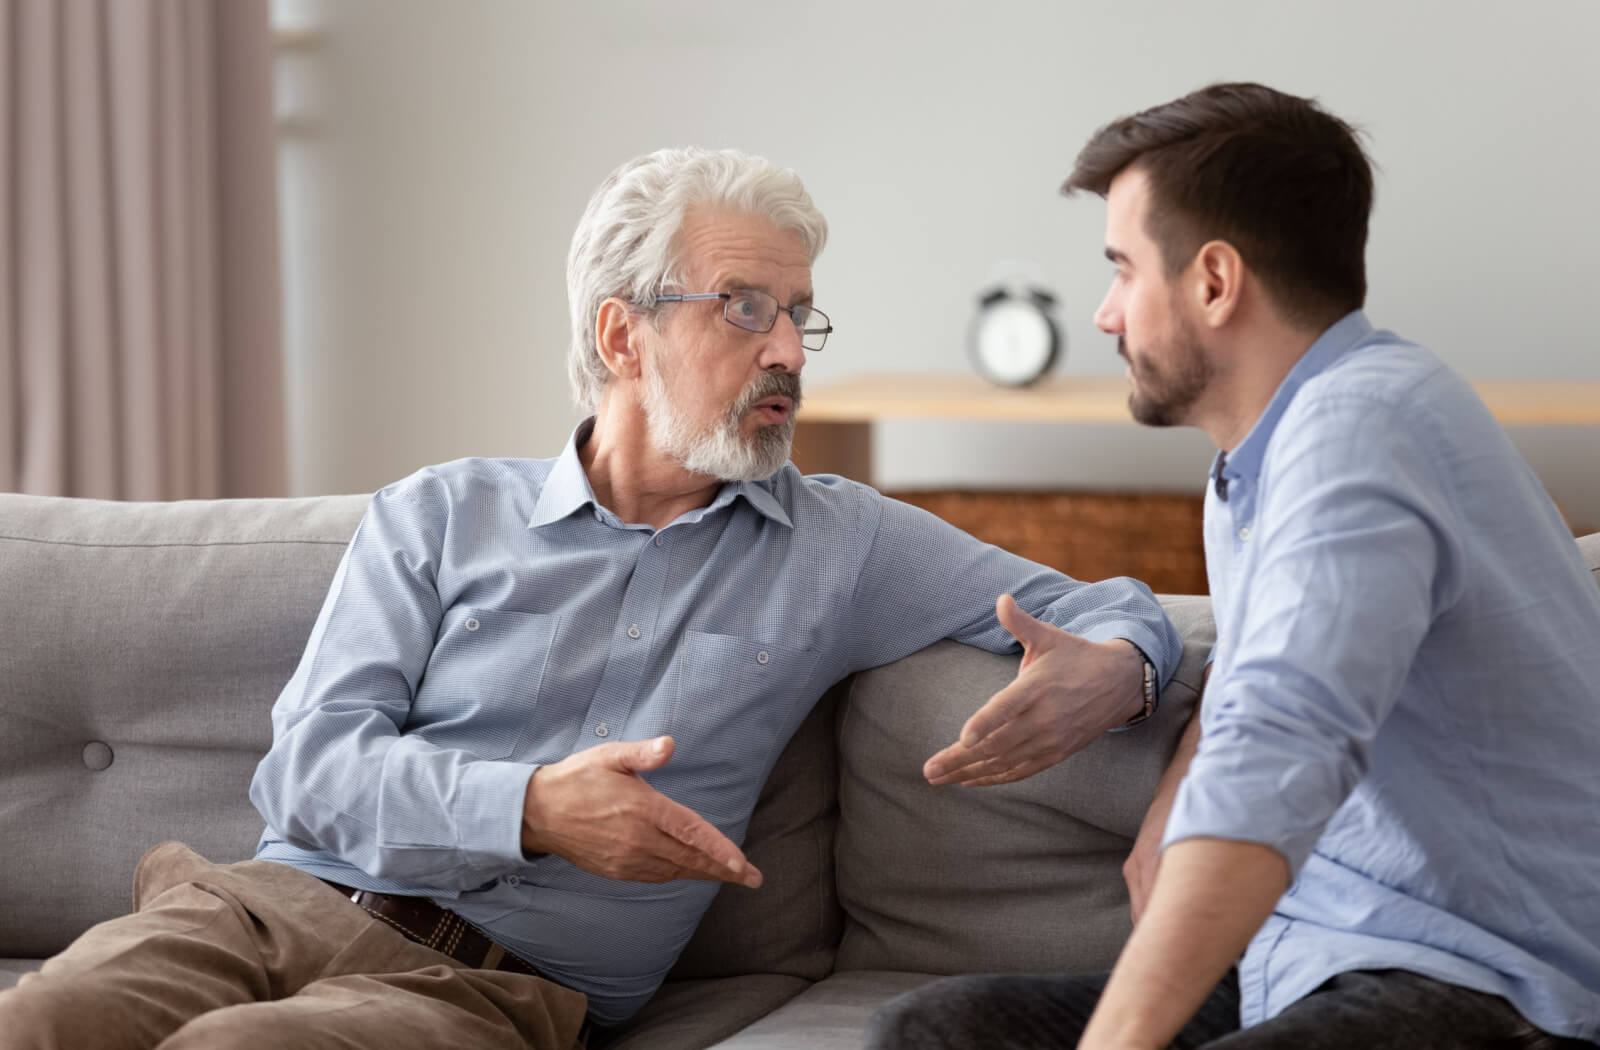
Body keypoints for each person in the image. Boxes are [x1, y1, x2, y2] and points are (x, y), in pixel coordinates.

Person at [0, 147, 1182, 1050]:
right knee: (45, 1021)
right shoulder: (441, 513)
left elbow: (1117, 608)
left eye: (798, 313)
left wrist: (1120, 671)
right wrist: (531, 808)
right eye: (743, 306)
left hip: (490, 993)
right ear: (622, 334)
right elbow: (306, 774)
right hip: (267, 905)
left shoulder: (844, 543)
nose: (787, 350)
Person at [868, 83, 1600, 1049]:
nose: (1105, 315)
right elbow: (1274, 668)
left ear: (1214, 281)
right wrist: (1177, 788)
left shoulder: (1363, 429)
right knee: (933, 1031)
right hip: (1310, 964)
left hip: (1494, 985)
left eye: (1123, 270)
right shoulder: (1255, 465)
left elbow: (1282, 748)